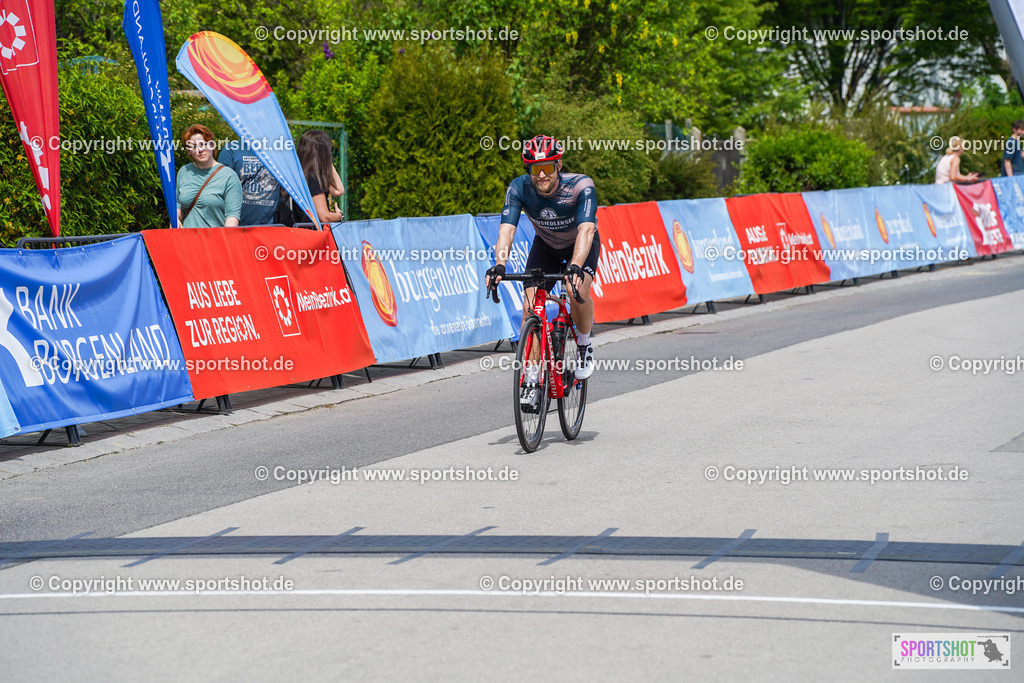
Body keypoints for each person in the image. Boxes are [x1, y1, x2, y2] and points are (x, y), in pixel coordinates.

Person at [485, 135, 600, 410]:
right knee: (530, 308)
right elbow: (507, 230)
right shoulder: (518, 188)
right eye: (535, 169)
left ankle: (584, 347)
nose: (542, 175)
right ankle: (533, 379)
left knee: (577, 291)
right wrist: (500, 264)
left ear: (558, 164)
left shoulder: (580, 186)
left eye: (547, 167)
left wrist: (575, 266)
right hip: (546, 247)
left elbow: (586, 229)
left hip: (580, 244)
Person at [176, 124, 242, 228]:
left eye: (203, 144)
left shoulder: (228, 176)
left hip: (215, 241)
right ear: (189, 151)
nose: (200, 150)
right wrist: (175, 218)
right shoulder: (184, 171)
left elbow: (232, 216)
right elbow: (178, 203)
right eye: (194, 146)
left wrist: (227, 239)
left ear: (212, 145)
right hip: (188, 241)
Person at [275, 129, 345, 226]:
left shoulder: (299, 175)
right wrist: (340, 216)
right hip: (309, 236)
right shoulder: (313, 179)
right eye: (330, 151)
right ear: (323, 153)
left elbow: (339, 190)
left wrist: (327, 162)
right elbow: (324, 217)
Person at [217, 138, 280, 225]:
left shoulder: (280, 151)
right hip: (236, 226)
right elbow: (220, 190)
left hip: (271, 227)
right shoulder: (232, 149)